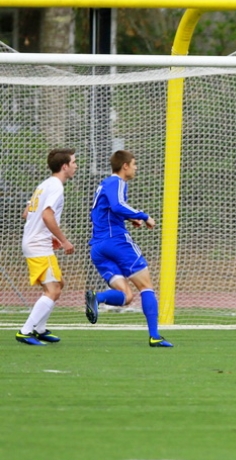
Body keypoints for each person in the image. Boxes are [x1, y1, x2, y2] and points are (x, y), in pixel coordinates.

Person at [85, 150, 173, 348]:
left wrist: (129, 217)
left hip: (98, 247)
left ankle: (97, 298)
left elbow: (107, 210)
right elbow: (117, 206)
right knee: (146, 286)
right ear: (124, 166)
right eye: (134, 163)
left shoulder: (105, 185)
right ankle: (155, 336)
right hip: (116, 242)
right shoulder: (116, 182)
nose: (135, 167)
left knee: (127, 296)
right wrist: (143, 215)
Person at [16, 148, 77, 346]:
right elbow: (46, 215)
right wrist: (64, 240)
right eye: (74, 162)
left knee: (59, 284)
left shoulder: (44, 185)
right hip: (38, 245)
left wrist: (49, 236)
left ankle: (40, 329)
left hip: (35, 242)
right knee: (53, 289)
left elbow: (27, 213)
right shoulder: (56, 187)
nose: (76, 166)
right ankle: (26, 331)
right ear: (65, 166)